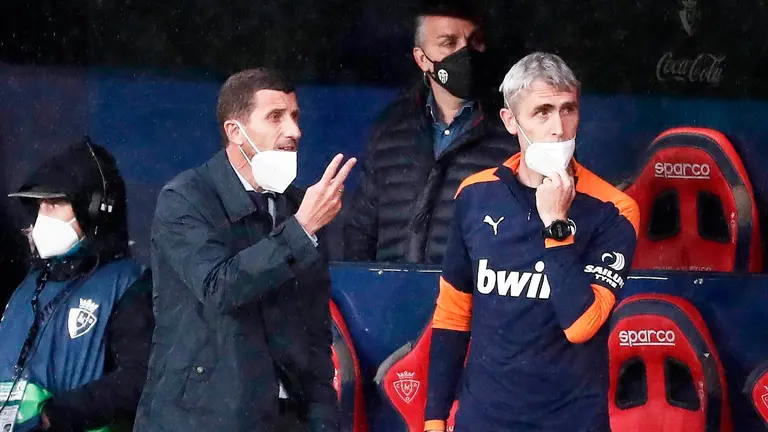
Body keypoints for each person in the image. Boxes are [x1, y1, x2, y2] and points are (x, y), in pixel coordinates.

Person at [423, 53, 640, 432]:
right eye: (542, 112)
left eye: (568, 109)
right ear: (511, 121)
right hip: (484, 419)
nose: (558, 127)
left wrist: (556, 224)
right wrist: (434, 419)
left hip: (571, 420)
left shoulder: (614, 210)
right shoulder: (476, 194)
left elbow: (582, 324)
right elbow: (453, 314)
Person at [133, 68, 356, 432]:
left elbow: (315, 333)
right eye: (275, 117)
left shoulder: (300, 208)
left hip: (285, 418)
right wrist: (301, 230)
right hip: (198, 418)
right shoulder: (185, 198)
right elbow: (220, 288)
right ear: (235, 131)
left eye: (295, 116)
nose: (294, 131)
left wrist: (323, 424)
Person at [343, 0, 519, 264]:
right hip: (390, 300)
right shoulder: (391, 129)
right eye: (449, 43)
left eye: (474, 41)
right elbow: (362, 231)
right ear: (422, 59)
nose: (465, 53)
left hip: (471, 303)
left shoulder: (513, 132)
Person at [0, 137, 153, 432]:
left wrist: (52, 417)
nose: (42, 218)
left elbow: (141, 378)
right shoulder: (30, 285)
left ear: (94, 210)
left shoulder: (129, 285)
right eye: (40, 206)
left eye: (54, 205)